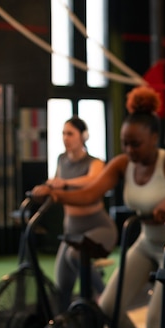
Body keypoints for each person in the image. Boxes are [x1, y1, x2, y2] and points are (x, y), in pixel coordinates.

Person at [32, 86, 165, 328]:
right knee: (107, 307)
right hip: (147, 242)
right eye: (125, 144)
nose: (130, 151)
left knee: (156, 321)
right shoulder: (123, 163)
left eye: (136, 144)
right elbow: (89, 193)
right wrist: (54, 194)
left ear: (154, 139)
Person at [45, 116, 118, 311]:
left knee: (75, 254)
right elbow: (54, 182)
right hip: (71, 229)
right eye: (63, 133)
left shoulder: (95, 162)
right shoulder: (61, 159)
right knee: (62, 287)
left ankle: (104, 297)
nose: (65, 138)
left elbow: (93, 180)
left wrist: (65, 183)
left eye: (70, 133)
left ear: (83, 136)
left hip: (99, 227)